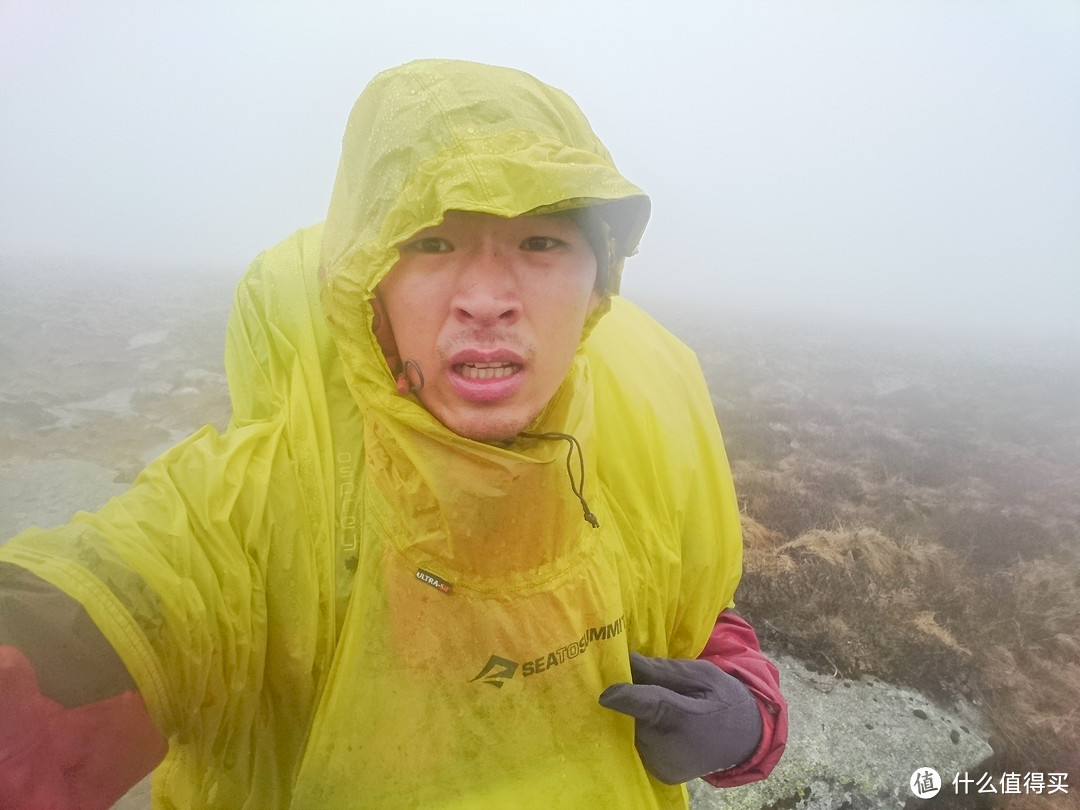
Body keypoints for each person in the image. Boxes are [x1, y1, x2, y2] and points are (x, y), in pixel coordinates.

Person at [0, 59, 786, 809]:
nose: (486, 299)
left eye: (541, 241)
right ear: (366, 287)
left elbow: (681, 588)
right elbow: (122, 596)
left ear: (597, 284)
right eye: (431, 243)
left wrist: (751, 714)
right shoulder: (262, 506)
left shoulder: (632, 431)